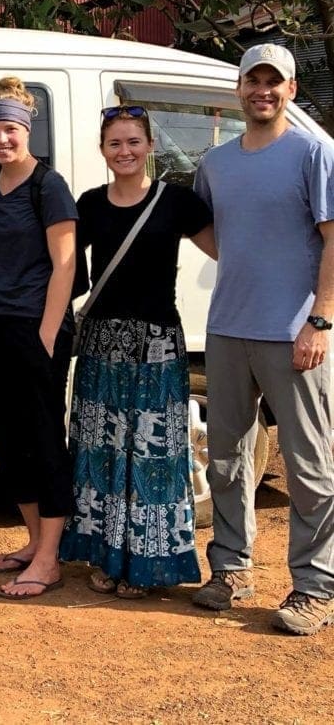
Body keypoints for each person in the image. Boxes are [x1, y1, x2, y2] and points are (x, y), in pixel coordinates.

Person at [191, 43, 334, 635]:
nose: (263, 92)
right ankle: (231, 570)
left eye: (275, 83)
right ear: (239, 89)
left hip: (295, 332)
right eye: (254, 81)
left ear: (292, 90)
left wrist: (320, 318)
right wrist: (249, 260)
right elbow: (202, 226)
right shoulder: (216, 163)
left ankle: (315, 587)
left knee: (308, 466)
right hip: (227, 328)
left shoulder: (315, 152)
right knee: (227, 459)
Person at [59, 105, 214, 598]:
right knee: (101, 454)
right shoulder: (89, 204)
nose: (123, 151)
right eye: (114, 144)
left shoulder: (178, 203)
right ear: (102, 150)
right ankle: (106, 558)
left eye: (132, 142)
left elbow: (231, 250)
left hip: (157, 344)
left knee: (153, 457)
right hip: (102, 342)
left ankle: (149, 564)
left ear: (149, 146)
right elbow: (59, 264)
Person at [0, 77, 77, 599]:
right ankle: (35, 542)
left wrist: (46, 335)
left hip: (39, 328)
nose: (1, 139)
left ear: (27, 130)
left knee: (43, 442)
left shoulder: (48, 184)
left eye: (10, 129)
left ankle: (50, 558)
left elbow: (65, 265)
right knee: (7, 443)